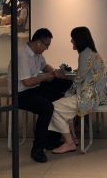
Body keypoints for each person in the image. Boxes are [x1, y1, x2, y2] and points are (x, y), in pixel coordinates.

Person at [10, 28, 71, 163]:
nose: (46, 48)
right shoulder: (22, 55)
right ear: (38, 42)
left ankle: (51, 140)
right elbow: (27, 82)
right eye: (46, 45)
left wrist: (55, 72)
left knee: (59, 98)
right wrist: (47, 77)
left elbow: (44, 66)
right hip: (19, 94)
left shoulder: (37, 54)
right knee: (46, 107)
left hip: (33, 89)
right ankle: (37, 149)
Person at [48, 27, 107, 154]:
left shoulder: (85, 54)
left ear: (79, 39)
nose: (71, 41)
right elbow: (83, 75)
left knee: (53, 107)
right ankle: (71, 138)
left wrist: (67, 94)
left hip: (90, 97)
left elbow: (78, 80)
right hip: (98, 94)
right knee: (62, 105)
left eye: (72, 38)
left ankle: (69, 142)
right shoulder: (91, 52)